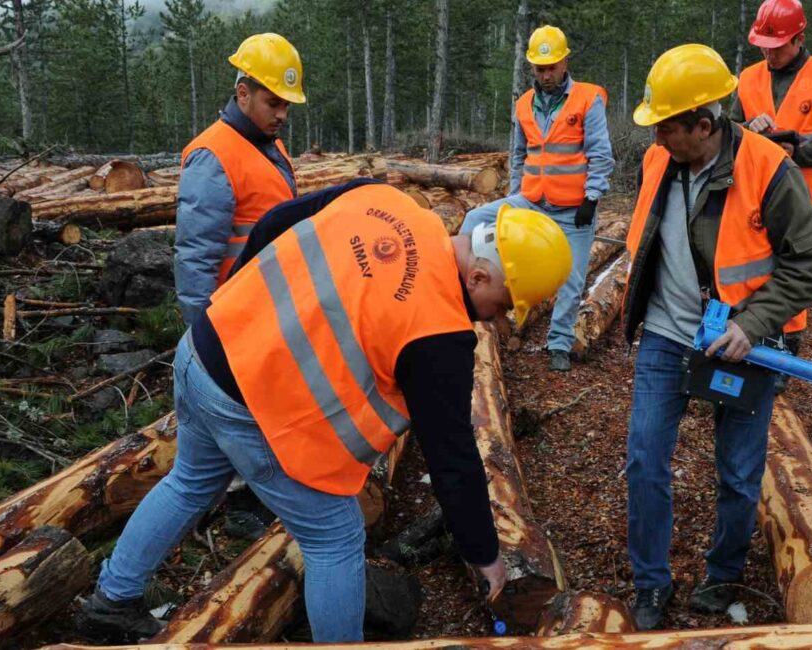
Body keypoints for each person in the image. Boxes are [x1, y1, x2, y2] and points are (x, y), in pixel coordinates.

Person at [75, 179, 572, 643]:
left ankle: (112, 599)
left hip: (204, 349)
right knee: (335, 537)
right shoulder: (439, 333)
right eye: (504, 306)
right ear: (479, 276)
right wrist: (484, 554)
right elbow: (452, 458)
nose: (499, 320)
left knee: (189, 481)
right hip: (249, 409)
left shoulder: (385, 200)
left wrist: (237, 301)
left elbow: (276, 220)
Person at [622, 45, 812, 628]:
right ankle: (650, 583)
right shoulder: (658, 162)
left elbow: (809, 263)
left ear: (704, 125)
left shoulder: (769, 170)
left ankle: (723, 574)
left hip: (745, 343)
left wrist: (751, 324)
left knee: (739, 472)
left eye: (667, 127)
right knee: (644, 459)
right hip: (667, 333)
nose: (658, 137)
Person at [460, 25, 614, 372]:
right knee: (475, 220)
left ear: (564, 62)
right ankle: (469, 296)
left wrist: (591, 198)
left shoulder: (588, 99)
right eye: (540, 68)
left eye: (552, 67)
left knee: (572, 278)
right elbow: (519, 155)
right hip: (530, 200)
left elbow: (601, 154)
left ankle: (558, 343)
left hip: (573, 208)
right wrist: (515, 194)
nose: (546, 74)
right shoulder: (523, 105)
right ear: (532, 67)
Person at [175, 32, 306, 325]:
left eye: (287, 105)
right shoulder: (212, 156)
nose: (282, 115)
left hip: (269, 304)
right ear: (244, 94)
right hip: (236, 312)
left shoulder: (272, 147)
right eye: (273, 104)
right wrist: (201, 334)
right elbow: (196, 258)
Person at [731, 0, 812, 207]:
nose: (769, 54)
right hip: (752, 193)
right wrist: (749, 127)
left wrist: (797, 153)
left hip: (799, 197)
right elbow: (731, 131)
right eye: (764, 47)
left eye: (777, 47)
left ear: (799, 39)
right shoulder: (748, 77)